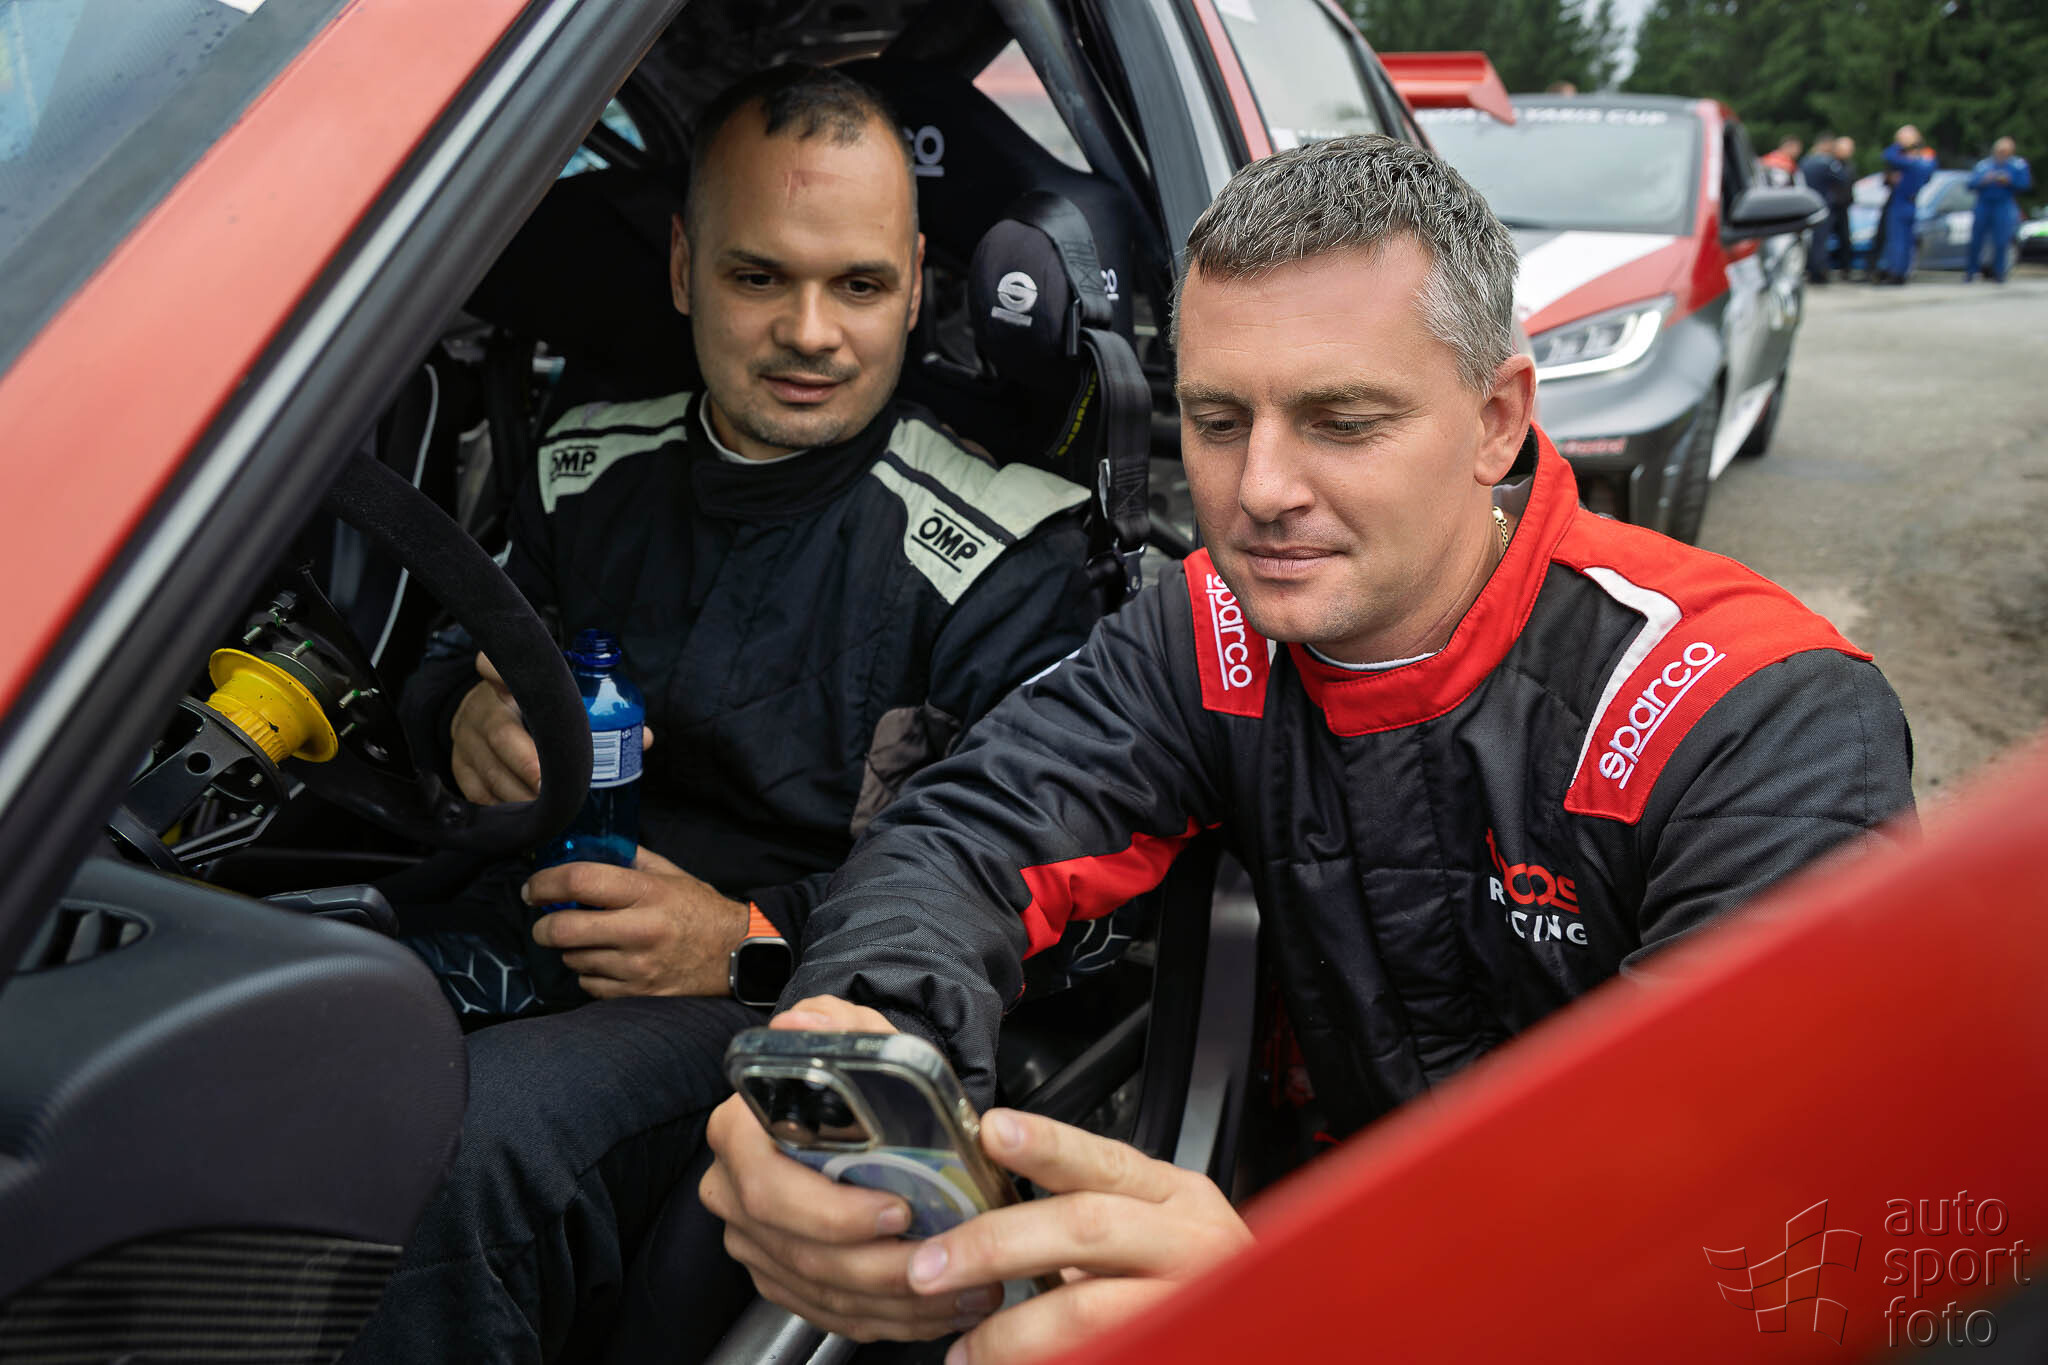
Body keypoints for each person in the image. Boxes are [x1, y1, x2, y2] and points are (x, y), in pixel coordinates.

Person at [696, 134, 1916, 1363]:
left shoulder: (1750, 711)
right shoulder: (1203, 629)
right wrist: (858, 1042)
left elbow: (1757, 1233)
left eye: (1341, 421)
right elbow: (968, 835)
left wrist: (1307, 1315)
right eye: (1218, 420)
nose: (1259, 490)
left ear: (1496, 421)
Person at [345, 65, 1100, 1364]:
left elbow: (1025, 904)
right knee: (258, 1031)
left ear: (917, 284)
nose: (811, 332)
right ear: (685, 268)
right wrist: (460, 718)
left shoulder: (1004, 552)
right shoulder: (582, 461)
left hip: (780, 1002)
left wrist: (742, 942)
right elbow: (460, 655)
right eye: (760, 277)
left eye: (858, 285)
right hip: (513, 919)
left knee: (475, 1142)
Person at [1966, 137, 2032, 283]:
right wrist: (1984, 180)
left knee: (2002, 240)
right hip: (1984, 204)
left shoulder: (2018, 165)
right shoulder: (1984, 165)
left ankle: (1999, 273)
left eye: (2005, 151)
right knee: (1976, 239)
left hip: (2004, 204)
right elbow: (1970, 184)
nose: (2002, 154)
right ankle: (1971, 272)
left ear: (2011, 152)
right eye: (1999, 151)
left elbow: (2025, 185)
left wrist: (2009, 181)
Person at [1877, 124, 1937, 283]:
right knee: (1905, 240)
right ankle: (1902, 272)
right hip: (1911, 203)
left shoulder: (1909, 160)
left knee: (1897, 240)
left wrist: (1900, 145)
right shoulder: (1923, 158)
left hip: (1900, 202)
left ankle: (1896, 273)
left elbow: (1888, 155)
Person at [1800, 134, 1854, 281]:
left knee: (1811, 239)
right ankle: (1819, 272)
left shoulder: (1805, 161)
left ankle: (1810, 269)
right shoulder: (1828, 162)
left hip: (1807, 205)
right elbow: (1843, 178)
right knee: (1821, 240)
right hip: (1823, 205)